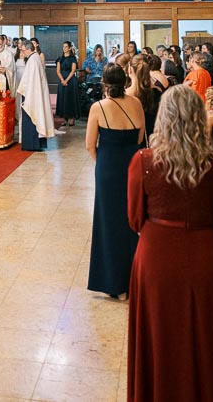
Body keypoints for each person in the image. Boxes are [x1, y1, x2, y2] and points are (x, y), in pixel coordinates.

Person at [127, 85, 213, 401]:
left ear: (162, 119)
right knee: (209, 344)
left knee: (159, 342)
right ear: (198, 119)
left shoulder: (144, 161)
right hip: (206, 255)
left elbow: (135, 219)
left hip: (156, 257)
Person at [86, 64, 144, 298]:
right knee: (132, 220)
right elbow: (140, 136)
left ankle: (113, 283)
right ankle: (134, 278)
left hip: (108, 166)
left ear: (105, 85)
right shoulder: (136, 103)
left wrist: (103, 162)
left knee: (108, 223)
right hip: (133, 164)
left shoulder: (98, 107)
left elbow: (90, 145)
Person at [16, 39, 55, 151]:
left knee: (31, 119)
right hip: (33, 92)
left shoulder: (33, 60)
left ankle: (31, 144)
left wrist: (24, 91)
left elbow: (32, 81)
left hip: (32, 95)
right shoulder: (34, 58)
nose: (22, 52)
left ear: (28, 49)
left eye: (23, 50)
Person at [55, 41, 80, 129]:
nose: (64, 48)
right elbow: (58, 71)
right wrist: (62, 80)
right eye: (63, 46)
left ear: (69, 48)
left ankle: (72, 118)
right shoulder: (60, 58)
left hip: (70, 80)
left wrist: (66, 80)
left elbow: (73, 71)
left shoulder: (73, 58)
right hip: (62, 80)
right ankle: (65, 119)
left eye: (66, 47)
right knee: (63, 99)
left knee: (70, 99)